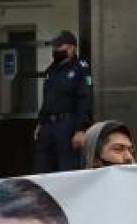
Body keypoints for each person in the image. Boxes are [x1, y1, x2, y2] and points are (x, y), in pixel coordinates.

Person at [33, 31, 93, 173]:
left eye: (59, 46)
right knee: (43, 169)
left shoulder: (80, 68)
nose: (55, 50)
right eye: (54, 47)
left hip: (67, 126)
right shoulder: (51, 70)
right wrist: (41, 123)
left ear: (72, 48)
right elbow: (47, 99)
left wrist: (81, 129)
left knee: (67, 169)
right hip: (48, 126)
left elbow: (85, 99)